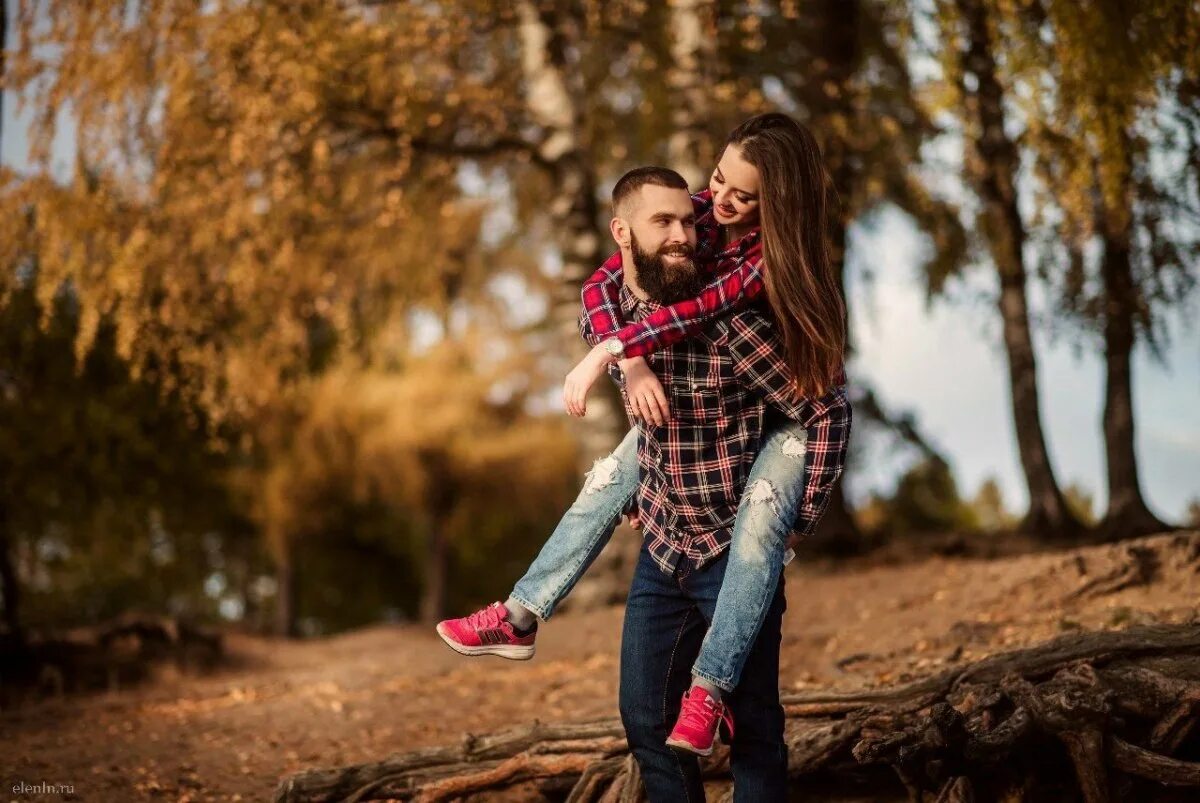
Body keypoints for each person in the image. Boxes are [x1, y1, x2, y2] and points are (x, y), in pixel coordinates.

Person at [437, 114, 850, 758]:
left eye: (743, 196)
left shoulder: (766, 258)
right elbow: (606, 281)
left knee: (763, 524)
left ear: (778, 206)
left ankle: (713, 691)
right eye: (717, 179)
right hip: (712, 412)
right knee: (604, 482)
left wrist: (808, 508)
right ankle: (521, 615)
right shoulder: (703, 216)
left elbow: (699, 313)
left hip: (788, 418)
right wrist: (627, 362)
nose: (719, 201)